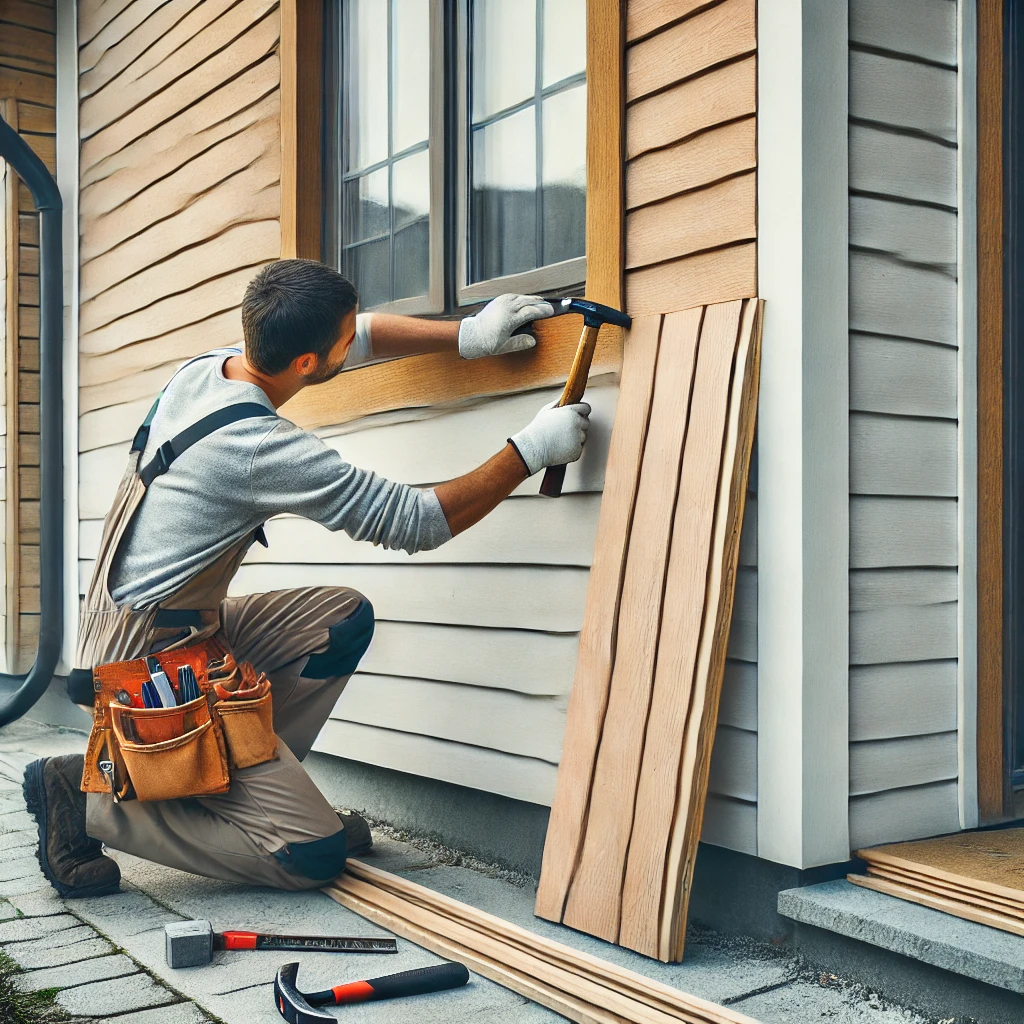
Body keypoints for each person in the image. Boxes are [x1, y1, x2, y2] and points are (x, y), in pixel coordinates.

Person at [23, 259, 591, 898]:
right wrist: (527, 452)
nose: (356, 343)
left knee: (339, 621)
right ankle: (90, 799)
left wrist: (463, 336)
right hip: (145, 669)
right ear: (306, 365)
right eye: (342, 342)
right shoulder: (258, 446)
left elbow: (358, 335)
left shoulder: (209, 370)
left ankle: (241, 793)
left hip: (171, 625)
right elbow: (413, 521)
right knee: (313, 858)